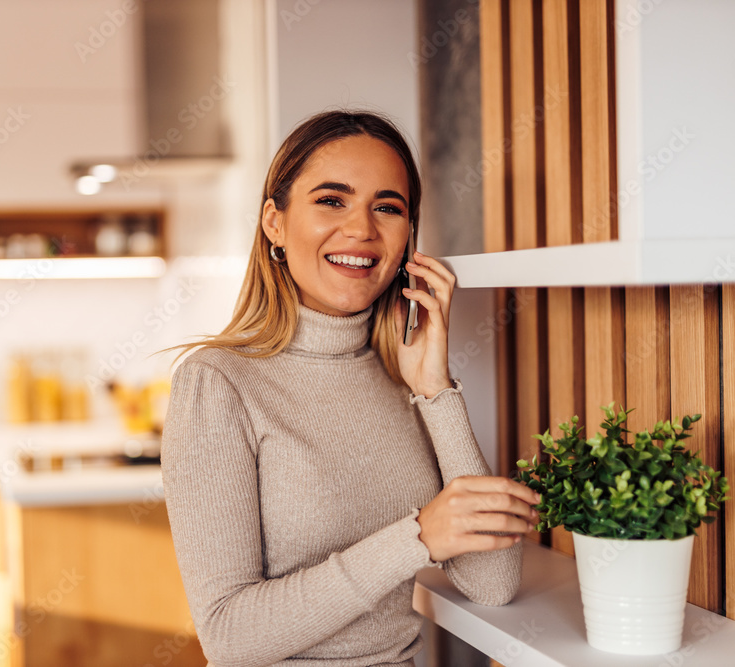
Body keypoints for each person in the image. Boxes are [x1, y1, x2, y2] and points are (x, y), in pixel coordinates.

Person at [156, 109, 540, 667]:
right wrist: (416, 539)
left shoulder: (403, 378)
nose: (361, 229)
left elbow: (493, 583)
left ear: (408, 235)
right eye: (331, 200)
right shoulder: (216, 383)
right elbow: (229, 637)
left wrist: (436, 388)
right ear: (275, 223)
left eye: (387, 207)